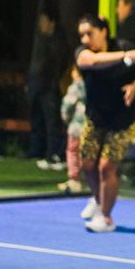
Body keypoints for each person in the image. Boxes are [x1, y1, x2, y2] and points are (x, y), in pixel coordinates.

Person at [75, 14, 135, 232]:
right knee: (87, 165)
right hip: (95, 118)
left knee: (106, 167)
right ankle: (99, 199)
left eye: (89, 33)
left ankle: (106, 218)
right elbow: (90, 61)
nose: (85, 39)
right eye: (81, 35)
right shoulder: (84, 52)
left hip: (125, 120)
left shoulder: (125, 46)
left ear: (103, 32)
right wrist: (125, 57)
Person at [27, 11, 69, 170]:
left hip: (50, 88)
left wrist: (52, 83)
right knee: (38, 120)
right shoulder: (41, 40)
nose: (41, 25)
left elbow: (58, 65)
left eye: (44, 21)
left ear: (52, 23)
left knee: (53, 123)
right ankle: (37, 150)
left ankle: (54, 153)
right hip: (38, 86)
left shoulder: (58, 42)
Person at [58, 64, 86, 194]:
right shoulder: (93, 85)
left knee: (73, 151)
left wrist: (66, 119)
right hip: (92, 125)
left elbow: (67, 105)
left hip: (77, 125)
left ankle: (74, 180)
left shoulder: (76, 87)